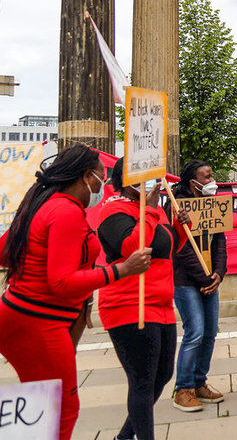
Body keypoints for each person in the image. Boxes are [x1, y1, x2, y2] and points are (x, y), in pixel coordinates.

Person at [0, 145, 151, 440]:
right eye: (101, 179)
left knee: (39, 408)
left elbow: (5, 253)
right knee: (62, 411)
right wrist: (122, 269)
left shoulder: (41, 201)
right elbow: (62, 283)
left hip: (20, 317)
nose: (102, 187)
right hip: (39, 324)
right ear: (86, 177)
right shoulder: (66, 211)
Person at [97, 159, 191, 440]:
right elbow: (133, 248)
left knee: (162, 375)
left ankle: (125, 436)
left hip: (160, 306)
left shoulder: (155, 210)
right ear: (127, 182)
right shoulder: (113, 210)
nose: (154, 184)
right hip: (129, 305)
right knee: (141, 381)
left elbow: (166, 249)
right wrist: (149, 210)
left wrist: (178, 227)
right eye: (147, 177)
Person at [169, 159, 228, 412]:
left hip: (209, 280)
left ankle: (199, 382)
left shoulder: (213, 204)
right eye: (206, 177)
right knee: (194, 333)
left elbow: (220, 242)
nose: (211, 181)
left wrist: (218, 274)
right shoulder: (175, 207)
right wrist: (205, 279)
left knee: (210, 333)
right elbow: (179, 250)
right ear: (192, 181)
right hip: (186, 282)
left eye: (211, 176)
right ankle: (183, 389)